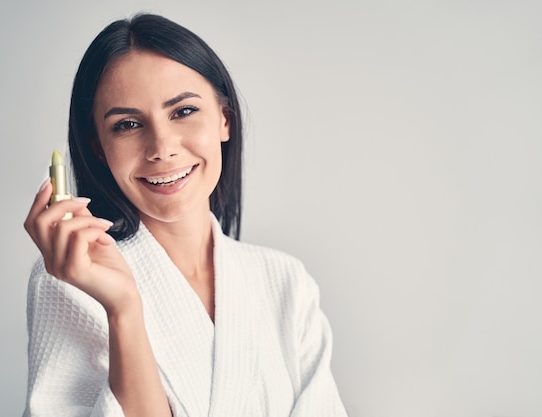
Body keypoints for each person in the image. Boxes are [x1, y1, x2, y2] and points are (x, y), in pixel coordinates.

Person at [23, 12, 347, 417]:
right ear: (97, 148)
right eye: (127, 124)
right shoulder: (72, 278)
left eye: (183, 112)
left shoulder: (285, 282)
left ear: (224, 119)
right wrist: (123, 309)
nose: (162, 147)